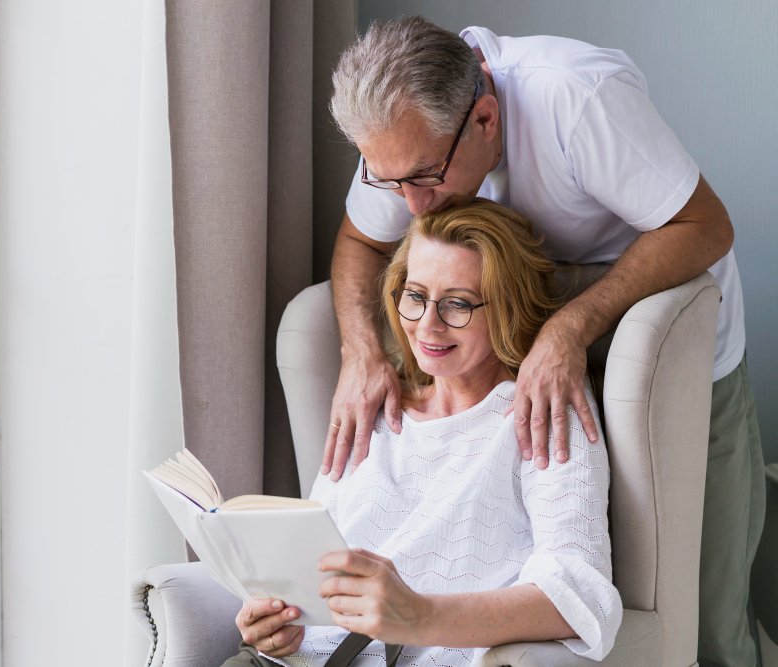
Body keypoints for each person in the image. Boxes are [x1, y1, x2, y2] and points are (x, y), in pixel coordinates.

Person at [323, 17, 764, 666]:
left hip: (662, 332)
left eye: (425, 177)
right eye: (391, 182)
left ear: (486, 119)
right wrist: (360, 350)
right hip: (507, 332)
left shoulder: (579, 100)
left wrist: (569, 325)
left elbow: (705, 225)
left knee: (712, 615)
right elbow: (360, 242)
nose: (414, 209)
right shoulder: (407, 142)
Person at [222, 200, 622, 666]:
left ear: (509, 307)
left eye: (458, 303)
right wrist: (274, 624)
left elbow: (580, 594)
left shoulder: (541, 412)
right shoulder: (370, 407)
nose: (427, 325)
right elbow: (312, 572)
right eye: (415, 296)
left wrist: (417, 615)